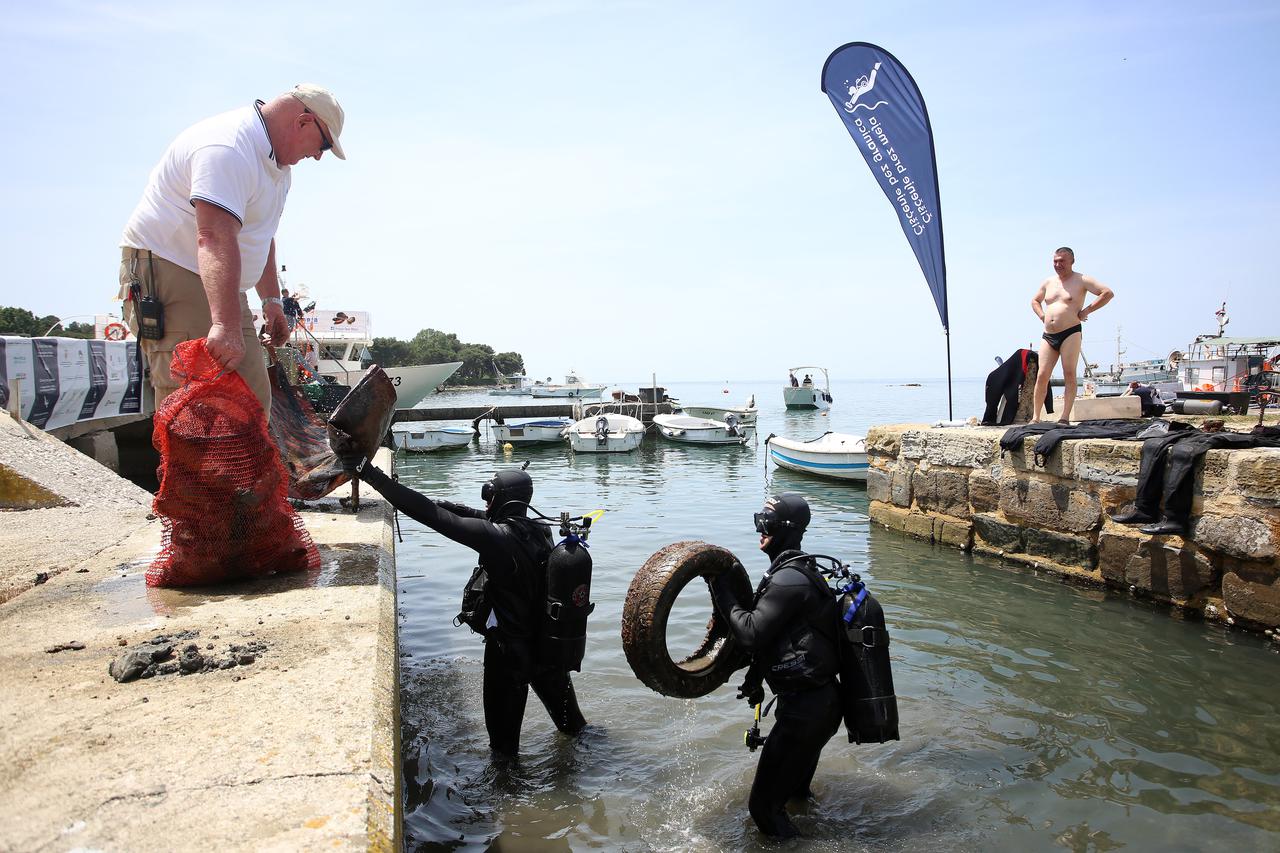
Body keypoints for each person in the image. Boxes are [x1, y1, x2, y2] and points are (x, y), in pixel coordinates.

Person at [335, 449, 587, 757]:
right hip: (548, 652)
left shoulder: (494, 538)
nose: (485, 502)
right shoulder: (540, 530)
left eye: (489, 495)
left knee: (504, 754)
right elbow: (474, 516)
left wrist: (369, 473)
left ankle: (506, 800)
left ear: (502, 498)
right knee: (576, 731)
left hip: (508, 657)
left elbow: (431, 516)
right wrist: (443, 503)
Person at [118, 84, 346, 419]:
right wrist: (224, 323)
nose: (318, 155)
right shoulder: (229, 147)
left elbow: (261, 235)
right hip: (172, 268)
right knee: (193, 404)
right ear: (303, 122)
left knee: (253, 399)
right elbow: (211, 235)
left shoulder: (280, 171)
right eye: (323, 144)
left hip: (222, 278)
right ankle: (195, 474)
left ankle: (241, 472)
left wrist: (272, 303)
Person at [709, 493, 842, 838]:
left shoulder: (788, 580)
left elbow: (751, 634)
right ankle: (811, 831)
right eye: (758, 519)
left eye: (765, 522)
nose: (759, 529)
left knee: (762, 810)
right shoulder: (794, 572)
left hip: (806, 713)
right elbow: (778, 638)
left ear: (786, 530)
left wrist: (721, 590)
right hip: (818, 705)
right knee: (795, 795)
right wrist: (756, 677)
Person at [1030, 247, 1113, 423]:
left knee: (1069, 373)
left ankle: (1065, 417)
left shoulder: (1081, 280)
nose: (1058, 264)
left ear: (1071, 261)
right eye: (1055, 261)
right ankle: (1036, 417)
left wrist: (1087, 310)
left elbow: (1107, 293)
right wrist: (1042, 316)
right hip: (1048, 335)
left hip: (1070, 332)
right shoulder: (1048, 282)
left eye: (1062, 261)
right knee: (1042, 374)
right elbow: (1035, 300)